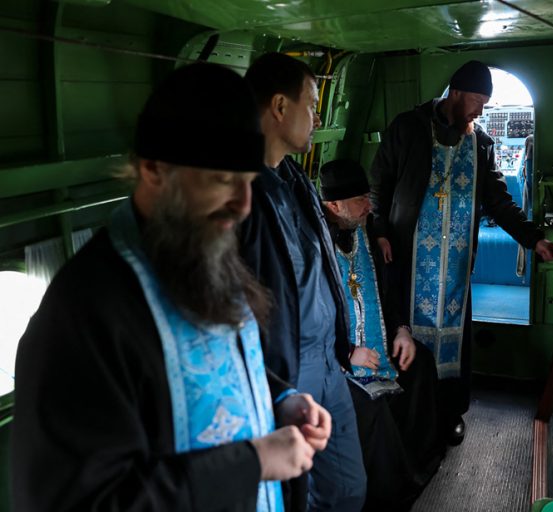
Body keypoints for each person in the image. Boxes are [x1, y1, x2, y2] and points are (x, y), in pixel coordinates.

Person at [11, 63, 331, 512]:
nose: (243, 207)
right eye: (223, 181)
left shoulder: (200, 250)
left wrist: (280, 398)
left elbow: (225, 359)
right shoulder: (84, 312)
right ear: (155, 170)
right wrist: (251, 463)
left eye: (249, 182)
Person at [369, 60, 553, 445]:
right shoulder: (407, 128)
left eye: (485, 104)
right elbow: (380, 183)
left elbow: (498, 201)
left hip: (456, 265)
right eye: (476, 100)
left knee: (454, 342)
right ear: (454, 93)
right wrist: (378, 232)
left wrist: (533, 238)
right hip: (410, 260)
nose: (480, 110)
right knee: (406, 331)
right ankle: (409, 410)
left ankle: (448, 413)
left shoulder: (480, 144)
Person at [240, 53, 366, 511]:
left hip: (329, 358)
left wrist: (344, 343)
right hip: (290, 366)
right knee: (294, 496)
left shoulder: (296, 178)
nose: (316, 119)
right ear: (278, 106)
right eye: (311, 105)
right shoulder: (244, 194)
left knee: (348, 489)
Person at [319, 159, 443, 511]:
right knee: (369, 408)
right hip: (335, 357)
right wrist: (346, 353)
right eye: (360, 200)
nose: (369, 206)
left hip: (378, 341)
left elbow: (389, 287)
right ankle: (390, 493)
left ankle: (418, 460)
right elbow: (311, 315)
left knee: (420, 361)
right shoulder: (313, 245)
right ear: (332, 206)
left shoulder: (368, 231)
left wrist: (401, 330)